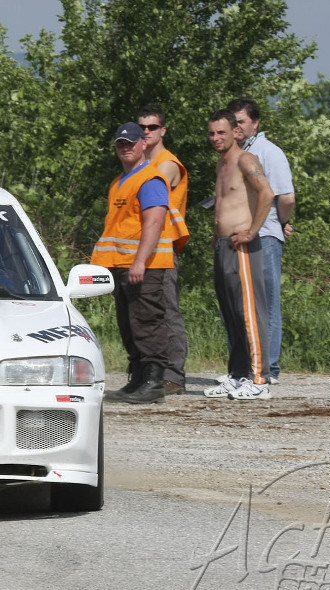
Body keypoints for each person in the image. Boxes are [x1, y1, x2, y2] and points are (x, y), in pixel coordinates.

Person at [92, 122, 173, 404]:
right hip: (121, 265)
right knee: (129, 324)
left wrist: (140, 261)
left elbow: (154, 222)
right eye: (121, 143)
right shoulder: (119, 181)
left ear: (143, 144)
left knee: (147, 322)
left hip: (143, 266)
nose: (125, 147)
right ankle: (138, 380)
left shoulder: (149, 179)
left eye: (131, 143)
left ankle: (154, 382)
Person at [204, 110, 273, 400]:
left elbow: (267, 193)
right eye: (211, 133)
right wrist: (215, 233)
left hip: (242, 246)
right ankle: (238, 375)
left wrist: (252, 231)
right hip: (224, 245)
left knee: (249, 313)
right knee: (231, 313)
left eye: (221, 132)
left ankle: (260, 379)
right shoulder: (221, 164)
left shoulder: (246, 160)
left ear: (235, 132)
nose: (216, 138)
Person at [227, 98, 295, 385]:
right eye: (233, 122)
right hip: (238, 238)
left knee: (265, 304)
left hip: (264, 236)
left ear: (255, 123)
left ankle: (269, 370)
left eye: (241, 121)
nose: (237, 127)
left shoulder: (269, 152)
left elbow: (286, 197)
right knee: (240, 305)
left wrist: (281, 222)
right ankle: (245, 369)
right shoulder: (235, 154)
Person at [137, 103, 190, 395]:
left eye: (152, 127)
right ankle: (150, 372)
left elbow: (143, 189)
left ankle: (174, 376)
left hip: (164, 247)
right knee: (146, 312)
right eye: (142, 127)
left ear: (163, 130)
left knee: (167, 311)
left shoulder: (167, 164)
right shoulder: (143, 164)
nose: (146, 132)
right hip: (144, 246)